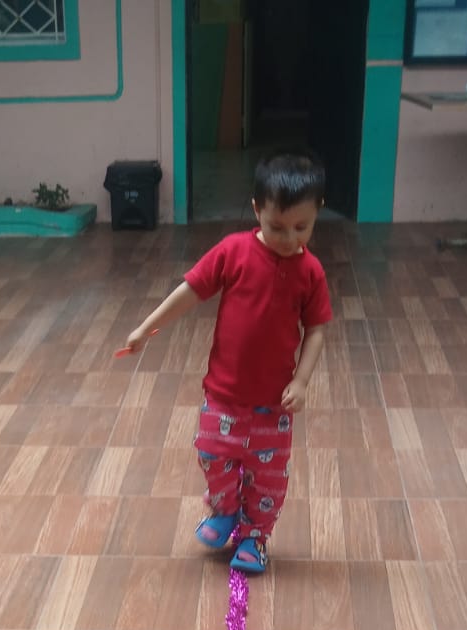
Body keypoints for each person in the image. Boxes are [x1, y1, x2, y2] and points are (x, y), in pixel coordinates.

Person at [120, 151, 332, 574]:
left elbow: (317, 329)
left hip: (273, 404)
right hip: (223, 394)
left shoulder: (310, 271)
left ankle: (254, 538)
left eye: (302, 227)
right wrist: (146, 328)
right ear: (256, 209)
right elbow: (190, 290)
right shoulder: (233, 252)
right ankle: (224, 510)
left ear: (317, 213)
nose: (289, 238)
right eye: (276, 227)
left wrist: (302, 380)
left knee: (268, 479)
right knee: (212, 456)